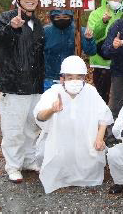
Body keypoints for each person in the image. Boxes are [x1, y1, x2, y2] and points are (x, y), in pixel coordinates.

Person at [0, 0, 45, 183]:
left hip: (34, 85)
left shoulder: (38, 24)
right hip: (13, 85)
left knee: (31, 128)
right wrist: (11, 28)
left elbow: (39, 55)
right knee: (13, 130)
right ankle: (13, 166)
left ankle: (29, 160)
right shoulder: (6, 18)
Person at [33, 56, 113, 193]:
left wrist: (100, 138)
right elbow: (39, 116)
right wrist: (51, 110)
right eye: (70, 78)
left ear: (84, 78)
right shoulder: (53, 92)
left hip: (85, 142)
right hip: (59, 142)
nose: (74, 81)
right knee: (46, 158)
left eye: (79, 77)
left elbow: (104, 116)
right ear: (62, 78)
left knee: (91, 163)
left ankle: (83, 176)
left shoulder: (90, 92)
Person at [86, 0, 123, 104]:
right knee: (102, 98)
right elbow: (93, 36)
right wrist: (103, 22)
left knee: (120, 98)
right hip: (101, 63)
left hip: (121, 63)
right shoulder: (96, 14)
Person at [42, 9, 95, 91]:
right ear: (52, 18)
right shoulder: (45, 31)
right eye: (58, 17)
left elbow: (91, 51)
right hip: (49, 78)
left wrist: (89, 39)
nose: (61, 19)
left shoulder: (79, 31)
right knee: (50, 102)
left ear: (71, 17)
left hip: (72, 77)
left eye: (65, 17)